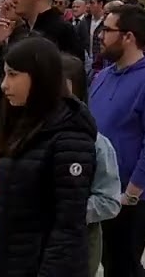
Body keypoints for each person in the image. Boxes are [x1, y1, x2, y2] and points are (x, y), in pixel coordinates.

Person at [0, 36, 95, 276]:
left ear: (40, 77)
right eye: (5, 75)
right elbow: (5, 216)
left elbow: (68, 227)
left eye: (13, 75)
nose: (4, 85)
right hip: (13, 261)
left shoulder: (70, 139)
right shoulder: (21, 126)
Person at [90, 3, 145, 277]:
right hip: (104, 192)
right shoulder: (103, 76)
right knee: (115, 266)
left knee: (123, 267)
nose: (101, 36)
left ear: (128, 36)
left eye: (107, 30)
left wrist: (133, 192)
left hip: (132, 198)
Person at [61, 54, 120, 276]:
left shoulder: (95, 143)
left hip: (78, 245)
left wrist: (64, 210)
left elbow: (109, 201)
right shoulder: (28, 136)